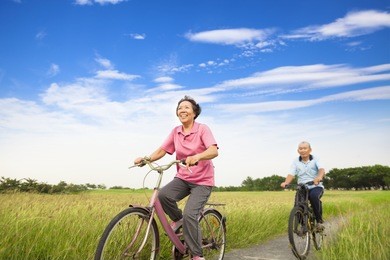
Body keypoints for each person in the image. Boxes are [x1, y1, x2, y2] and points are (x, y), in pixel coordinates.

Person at [134, 95, 218, 260]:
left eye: (186, 107)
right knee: (163, 195)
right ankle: (181, 222)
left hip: (202, 181)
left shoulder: (202, 129)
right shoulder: (176, 132)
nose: (182, 110)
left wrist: (197, 157)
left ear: (194, 113)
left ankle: (197, 255)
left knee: (190, 214)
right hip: (183, 178)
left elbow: (213, 151)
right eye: (180, 108)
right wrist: (146, 159)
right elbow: (162, 150)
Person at [280, 141, 325, 230]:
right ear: (298, 150)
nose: (303, 150)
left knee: (313, 196)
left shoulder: (316, 159)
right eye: (301, 148)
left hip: (315, 186)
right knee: (298, 205)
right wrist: (286, 182)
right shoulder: (295, 161)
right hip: (302, 187)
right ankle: (304, 226)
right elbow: (291, 174)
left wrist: (319, 177)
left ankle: (319, 221)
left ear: (310, 150)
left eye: (305, 148)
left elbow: (321, 169)